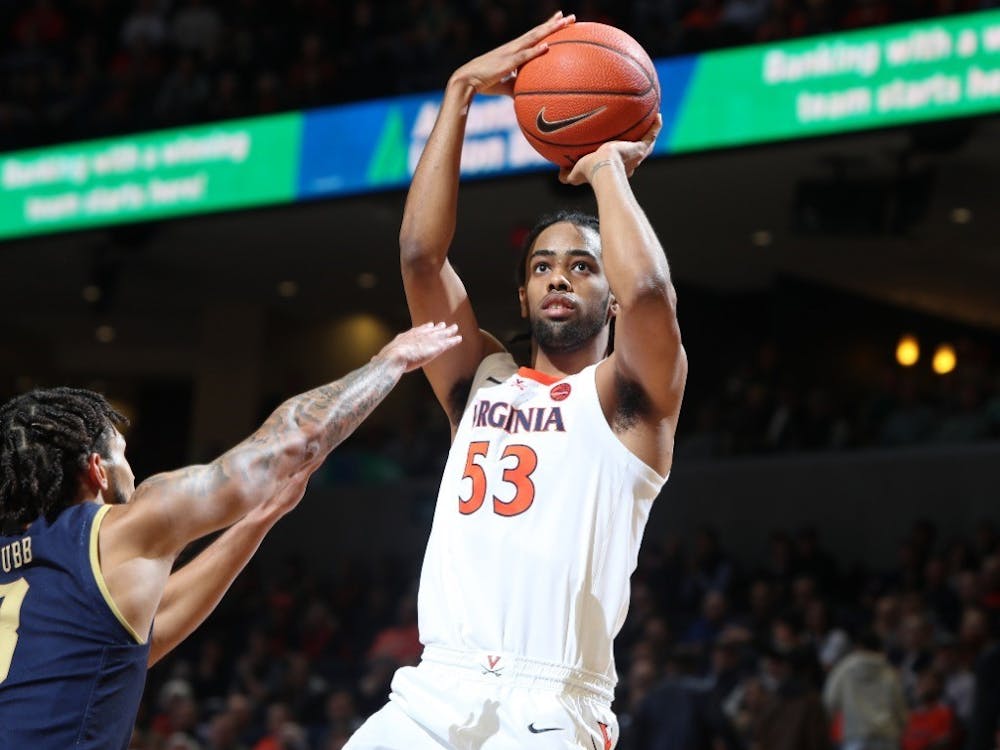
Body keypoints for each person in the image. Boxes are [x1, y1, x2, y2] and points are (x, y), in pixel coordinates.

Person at [346, 10, 687, 749]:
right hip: (435, 686)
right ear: (524, 297)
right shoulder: (480, 379)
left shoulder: (631, 402)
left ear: (612, 296)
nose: (559, 275)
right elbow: (419, 259)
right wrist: (461, 90)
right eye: (542, 266)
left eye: (582, 265)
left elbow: (654, 295)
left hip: (554, 701)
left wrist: (603, 169)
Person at [0, 321, 461, 749]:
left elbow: (140, 644)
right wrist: (391, 361)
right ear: (98, 470)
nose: (132, 470)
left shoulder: (30, 566)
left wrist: (257, 521)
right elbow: (293, 441)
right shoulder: (120, 528)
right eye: (122, 454)